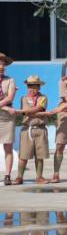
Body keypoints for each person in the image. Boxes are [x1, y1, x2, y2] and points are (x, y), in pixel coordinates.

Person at [14, 75, 50, 185]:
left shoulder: (43, 98)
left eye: (34, 87)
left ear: (39, 87)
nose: (32, 89)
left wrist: (26, 112)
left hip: (40, 129)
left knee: (40, 155)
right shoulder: (24, 98)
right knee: (23, 155)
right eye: (30, 86)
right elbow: (27, 110)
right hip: (27, 129)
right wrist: (37, 113)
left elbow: (39, 108)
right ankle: (19, 177)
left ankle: (39, 177)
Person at [0, 53, 16, 186]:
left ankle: (7, 175)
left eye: (3, 64)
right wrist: (4, 107)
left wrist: (3, 107)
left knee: (8, 147)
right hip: (6, 110)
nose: (2, 66)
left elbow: (10, 98)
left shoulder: (10, 80)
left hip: (7, 119)